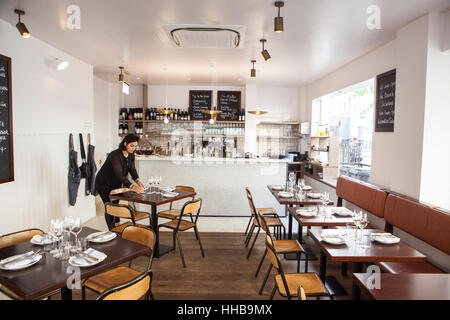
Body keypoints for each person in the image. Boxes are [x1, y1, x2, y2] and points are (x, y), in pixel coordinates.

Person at [95, 134, 145, 229]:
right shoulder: (115, 155)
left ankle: (117, 229)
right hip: (103, 183)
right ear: (125, 143)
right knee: (110, 207)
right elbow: (119, 174)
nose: (133, 148)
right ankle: (112, 230)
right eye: (131, 146)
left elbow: (132, 169)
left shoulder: (131, 154)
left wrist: (138, 181)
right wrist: (132, 186)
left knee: (116, 206)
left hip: (115, 183)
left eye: (135, 146)